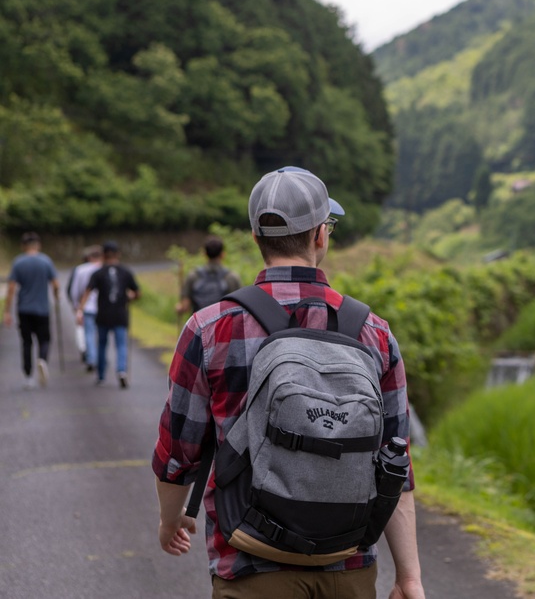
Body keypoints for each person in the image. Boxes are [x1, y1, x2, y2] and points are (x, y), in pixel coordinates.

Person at [152, 166, 425, 599]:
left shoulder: (209, 328)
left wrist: (172, 520)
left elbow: (176, 454)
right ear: (321, 235)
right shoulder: (373, 332)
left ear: (257, 238)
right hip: (348, 567)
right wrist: (409, 577)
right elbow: (395, 462)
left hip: (249, 563)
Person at [77, 241, 140, 388]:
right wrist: (130, 297)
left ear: (104, 255)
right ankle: (122, 370)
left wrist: (80, 310)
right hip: (120, 314)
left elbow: (87, 292)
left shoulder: (98, 273)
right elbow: (137, 292)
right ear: (118, 254)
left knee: (102, 345)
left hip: (103, 315)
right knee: (121, 344)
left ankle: (101, 375)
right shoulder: (125, 271)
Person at [4, 232, 59, 390]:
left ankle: (28, 376)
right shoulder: (46, 261)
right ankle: (42, 359)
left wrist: (7, 311)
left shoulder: (18, 262)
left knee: (26, 342)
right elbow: (55, 284)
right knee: (45, 339)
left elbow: (11, 288)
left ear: (23, 246)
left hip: (24, 309)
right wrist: (56, 297)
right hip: (42, 309)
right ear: (38, 245)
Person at [175, 235, 242, 316]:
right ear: (222, 254)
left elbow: (185, 307)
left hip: (199, 326)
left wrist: (179, 308)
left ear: (204, 254)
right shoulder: (232, 278)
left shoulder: (193, 276)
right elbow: (239, 308)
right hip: (222, 326)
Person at [67, 245, 103, 372]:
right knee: (101, 335)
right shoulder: (104, 268)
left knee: (89, 333)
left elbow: (75, 289)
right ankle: (100, 359)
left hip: (86, 306)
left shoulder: (80, 270)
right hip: (102, 307)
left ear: (88, 257)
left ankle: (91, 358)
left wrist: (77, 306)